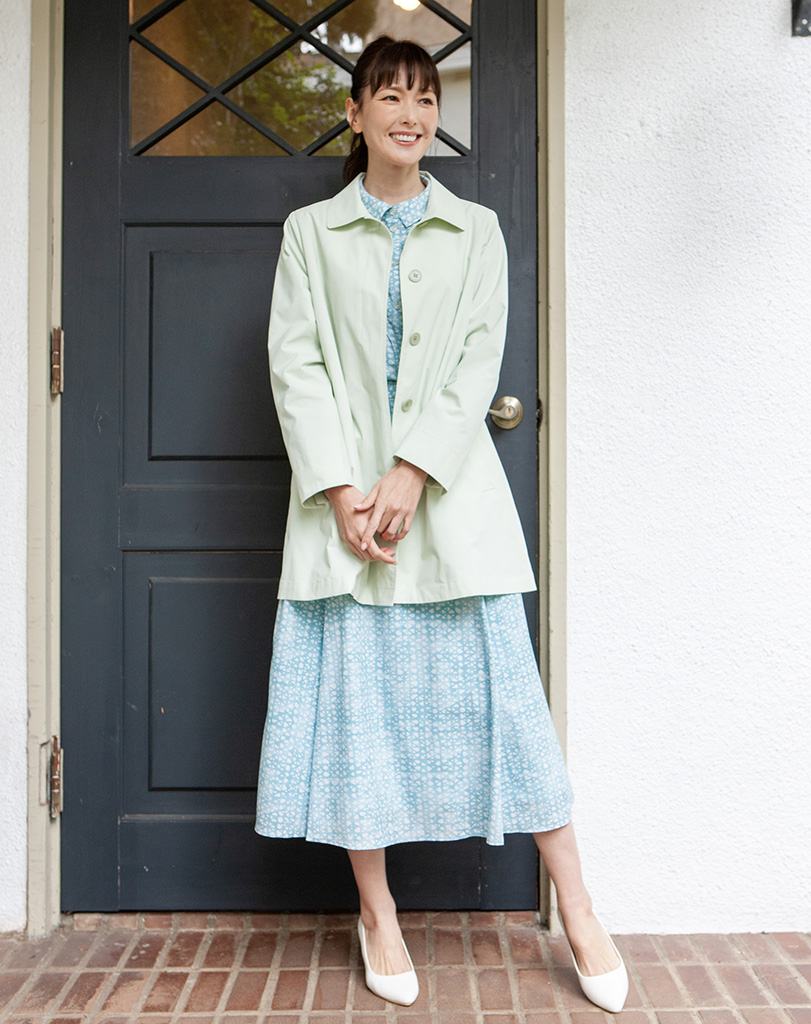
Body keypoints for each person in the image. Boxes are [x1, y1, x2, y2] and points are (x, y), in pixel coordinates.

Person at [255, 36, 628, 1013]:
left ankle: (580, 907)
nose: (410, 113)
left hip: (452, 507)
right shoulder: (310, 232)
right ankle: (376, 911)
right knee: (357, 717)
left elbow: (475, 359)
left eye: (424, 97)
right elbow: (297, 364)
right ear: (356, 115)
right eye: (390, 96)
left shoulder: (478, 230)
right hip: (345, 519)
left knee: (512, 707)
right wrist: (344, 491)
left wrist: (413, 470)